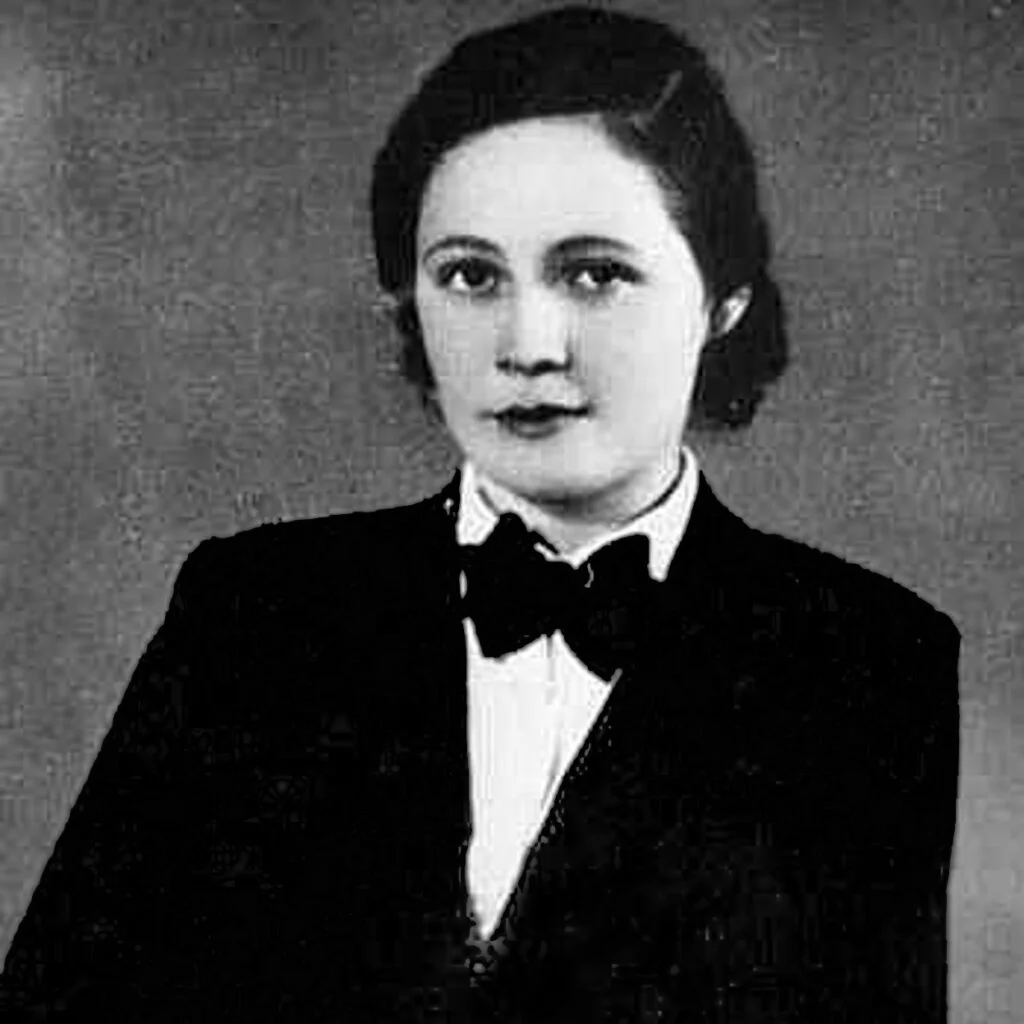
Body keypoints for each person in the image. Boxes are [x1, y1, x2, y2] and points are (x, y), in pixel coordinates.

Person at [0, 6, 960, 1022]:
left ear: (722, 300)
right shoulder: (255, 613)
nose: (528, 345)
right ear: (411, 305)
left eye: (595, 274)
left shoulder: (866, 663)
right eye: (469, 276)